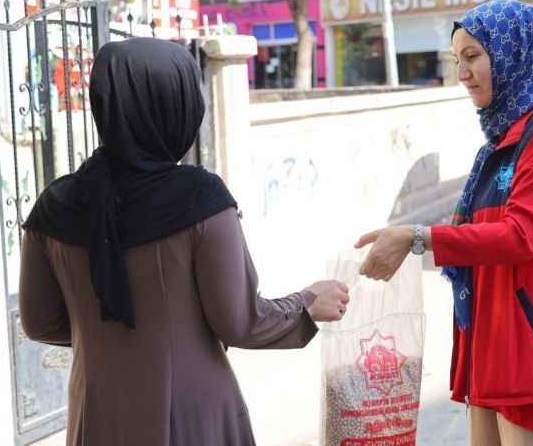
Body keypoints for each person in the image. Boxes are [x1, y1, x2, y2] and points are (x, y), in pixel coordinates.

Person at [18, 38, 349, 446]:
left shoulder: (56, 205)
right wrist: (307, 304)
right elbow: (239, 320)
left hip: (98, 416)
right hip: (193, 420)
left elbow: (39, 321)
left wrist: (111, 336)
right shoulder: (199, 200)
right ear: (177, 105)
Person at [355, 1, 533, 445]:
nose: (462, 73)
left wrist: (417, 237)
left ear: (512, 54)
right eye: (456, 60)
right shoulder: (500, 142)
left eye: (473, 57)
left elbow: (521, 236)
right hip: (498, 354)